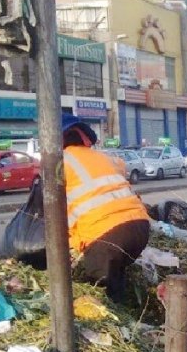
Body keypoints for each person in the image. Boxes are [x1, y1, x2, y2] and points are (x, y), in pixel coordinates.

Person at [61, 114, 150, 303]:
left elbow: (49, 208)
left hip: (105, 234)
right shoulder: (102, 156)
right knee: (116, 279)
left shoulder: (61, 162)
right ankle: (128, 315)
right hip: (140, 228)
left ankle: (121, 325)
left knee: (100, 298)